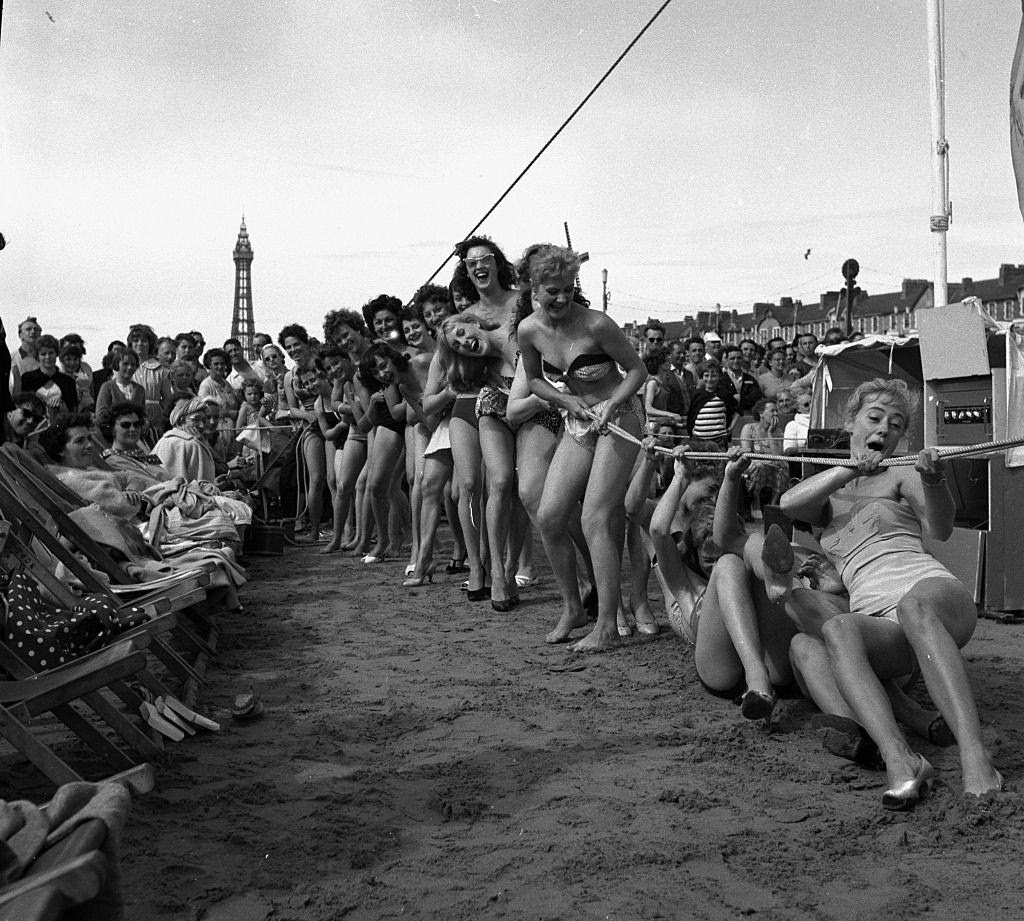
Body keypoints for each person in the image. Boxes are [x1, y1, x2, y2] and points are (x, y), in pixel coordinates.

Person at [780, 377, 1001, 807]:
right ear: (851, 422)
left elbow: (940, 528)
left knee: (913, 605)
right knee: (839, 629)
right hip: (881, 618)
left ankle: (976, 757)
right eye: (875, 418)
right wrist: (851, 468)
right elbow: (790, 504)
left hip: (931, 592)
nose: (885, 429)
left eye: (896, 424)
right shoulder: (829, 497)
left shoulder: (901, 473)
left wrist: (934, 482)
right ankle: (900, 757)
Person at [518, 244, 647, 652]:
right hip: (578, 420)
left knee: (594, 517)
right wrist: (564, 400)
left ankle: (606, 626)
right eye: (551, 291)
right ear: (534, 288)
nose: (561, 298)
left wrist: (612, 403)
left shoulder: (597, 324)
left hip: (620, 415)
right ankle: (574, 607)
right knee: (549, 515)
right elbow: (534, 380)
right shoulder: (529, 330)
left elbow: (638, 371)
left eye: (567, 289)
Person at [438, 312, 521, 609]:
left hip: (502, 410)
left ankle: (503, 567)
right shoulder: (450, 354)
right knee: (469, 486)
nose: (461, 342)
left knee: (506, 486)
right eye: (455, 342)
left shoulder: (497, 338)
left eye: (462, 333)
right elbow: (426, 401)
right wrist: (448, 392)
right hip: (464, 410)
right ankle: (476, 566)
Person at [279, 325, 328, 543]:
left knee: (335, 479)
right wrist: (307, 416)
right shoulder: (289, 376)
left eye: (296, 344)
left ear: (305, 342)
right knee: (308, 477)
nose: (293, 350)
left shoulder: (320, 364)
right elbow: (292, 408)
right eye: (288, 347)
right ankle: (311, 530)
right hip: (310, 425)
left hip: (330, 416)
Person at [739, 399, 788, 516]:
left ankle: (773, 504)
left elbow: (778, 456)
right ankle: (755, 503)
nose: (776, 414)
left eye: (777, 411)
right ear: (761, 413)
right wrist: (764, 459)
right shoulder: (748, 428)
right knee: (759, 465)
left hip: (772, 463)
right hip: (753, 463)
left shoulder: (778, 432)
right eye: (772, 411)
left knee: (784, 465)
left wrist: (770, 434)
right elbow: (747, 452)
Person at [129, 324, 173, 439]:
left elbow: (168, 400)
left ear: (150, 344)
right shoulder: (125, 368)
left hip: (155, 419)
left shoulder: (160, 370)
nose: (139, 344)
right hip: (130, 416)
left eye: (144, 341)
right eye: (136, 340)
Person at [197, 348, 240, 464]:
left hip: (231, 431)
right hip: (216, 432)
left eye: (222, 363)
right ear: (209, 365)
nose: (220, 367)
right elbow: (203, 411)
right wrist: (228, 413)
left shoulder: (227, 384)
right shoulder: (206, 385)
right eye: (216, 364)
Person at [21, 335, 78, 419]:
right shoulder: (27, 379)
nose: (47, 357)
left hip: (62, 422)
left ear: (56, 354)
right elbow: (22, 408)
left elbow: (74, 410)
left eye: (51, 353)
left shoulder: (68, 381)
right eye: (43, 354)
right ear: (37, 356)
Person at [686, 360, 736, 448]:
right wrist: (691, 431)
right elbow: (691, 415)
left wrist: (731, 427)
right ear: (702, 376)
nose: (709, 379)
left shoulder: (724, 394)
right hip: (698, 439)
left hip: (719, 440)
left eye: (713, 376)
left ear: (719, 376)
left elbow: (738, 411)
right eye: (706, 375)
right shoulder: (696, 394)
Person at [95, 348, 145, 427]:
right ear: (117, 364)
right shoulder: (107, 387)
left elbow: (144, 414)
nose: (129, 367)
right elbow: (100, 416)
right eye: (125, 364)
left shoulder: (140, 390)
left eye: (133, 364)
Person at [721, 345, 763, 414]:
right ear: (727, 360)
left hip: (748, 416)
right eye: (732, 358)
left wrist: (740, 398)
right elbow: (723, 399)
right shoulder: (720, 379)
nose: (736, 361)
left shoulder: (750, 379)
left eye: (739, 358)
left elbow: (756, 398)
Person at [59, 342, 95, 413]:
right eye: (68, 359)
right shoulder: (58, 378)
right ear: (62, 361)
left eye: (75, 359)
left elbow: (91, 390)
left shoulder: (85, 369)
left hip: (90, 410)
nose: (72, 363)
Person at [11, 317, 41, 393]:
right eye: (28, 329)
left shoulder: (46, 359)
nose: (33, 331)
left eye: (36, 329)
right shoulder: (12, 358)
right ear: (20, 335)